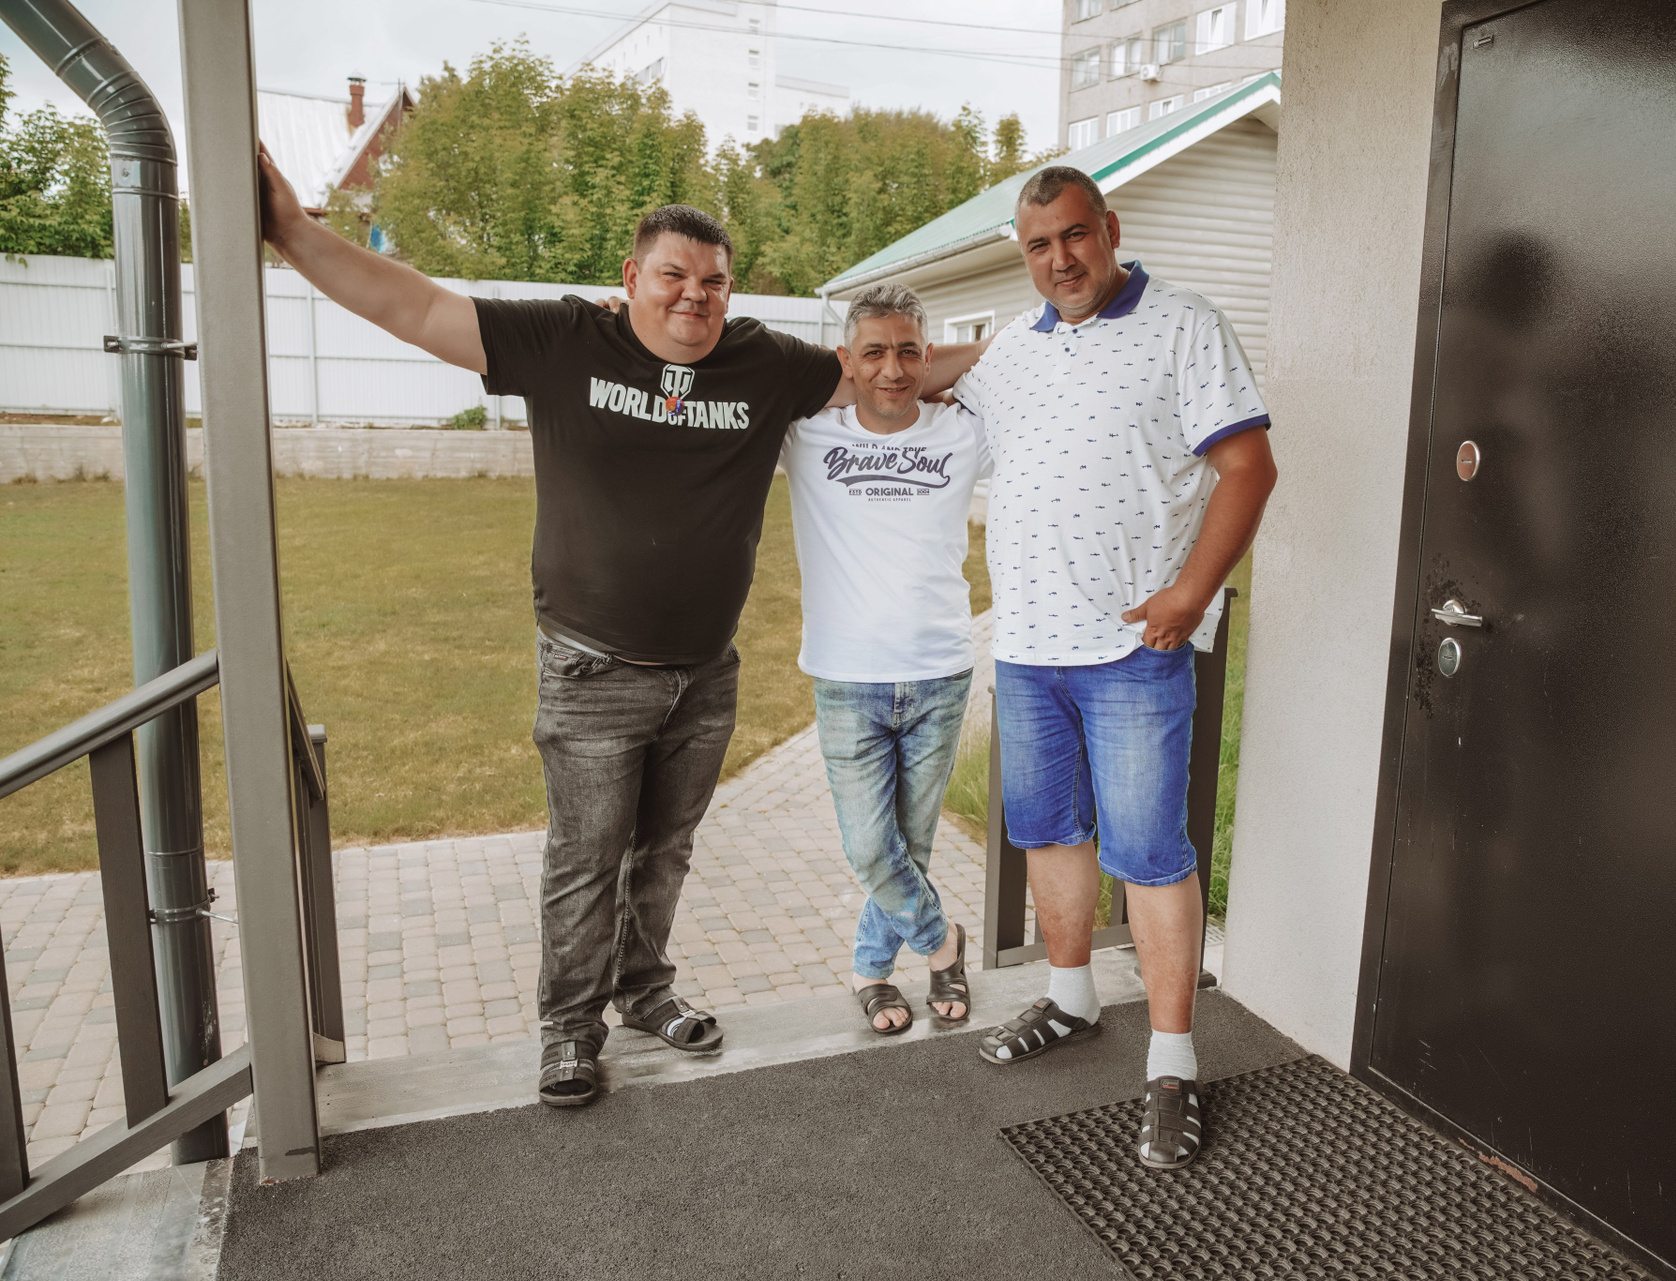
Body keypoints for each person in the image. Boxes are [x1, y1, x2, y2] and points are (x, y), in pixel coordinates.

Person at [254, 147, 984, 1108]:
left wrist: (1028, 347)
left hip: (705, 674)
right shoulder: (566, 341)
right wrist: (293, 231)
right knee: (585, 858)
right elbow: (418, 308)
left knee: (664, 853)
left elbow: (889, 375)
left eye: (713, 282)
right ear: (632, 276)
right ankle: (568, 1029)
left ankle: (645, 992)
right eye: (674, 276)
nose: (694, 296)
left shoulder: (766, 362)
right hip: (592, 671)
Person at [953, 167, 1277, 1170]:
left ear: (1110, 229)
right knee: (1050, 833)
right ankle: (1069, 999)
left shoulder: (1185, 325)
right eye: (1039, 245)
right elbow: (909, 374)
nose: (1061, 259)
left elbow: (1248, 467)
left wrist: (1192, 592)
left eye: (1075, 235)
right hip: (1028, 647)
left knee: (1150, 854)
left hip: (1135, 650)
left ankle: (1172, 1063)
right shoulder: (1014, 345)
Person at [779, 283, 989, 1035]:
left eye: (908, 352)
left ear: (930, 357)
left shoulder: (965, 431)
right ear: (846, 359)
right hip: (846, 676)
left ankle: (871, 969)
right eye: (873, 352)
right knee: (872, 847)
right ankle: (943, 943)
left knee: (912, 843)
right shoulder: (804, 431)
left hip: (940, 670)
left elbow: (1016, 362)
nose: (892, 370)